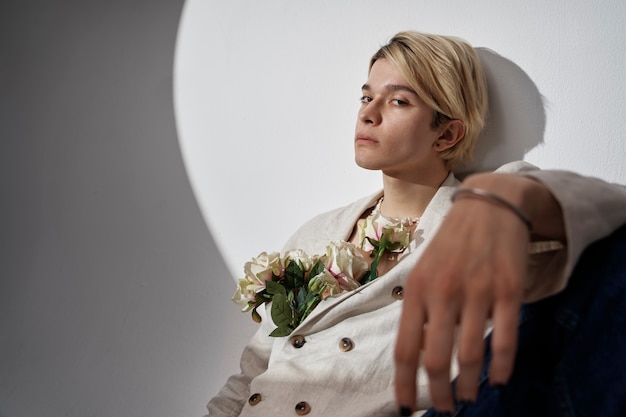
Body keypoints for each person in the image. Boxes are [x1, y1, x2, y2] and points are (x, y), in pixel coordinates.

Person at [205, 31, 626, 417]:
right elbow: (252, 372)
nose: (368, 114)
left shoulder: (480, 207)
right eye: (365, 96)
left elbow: (612, 209)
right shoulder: (316, 232)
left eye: (398, 100)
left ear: (446, 136)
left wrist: (523, 201)